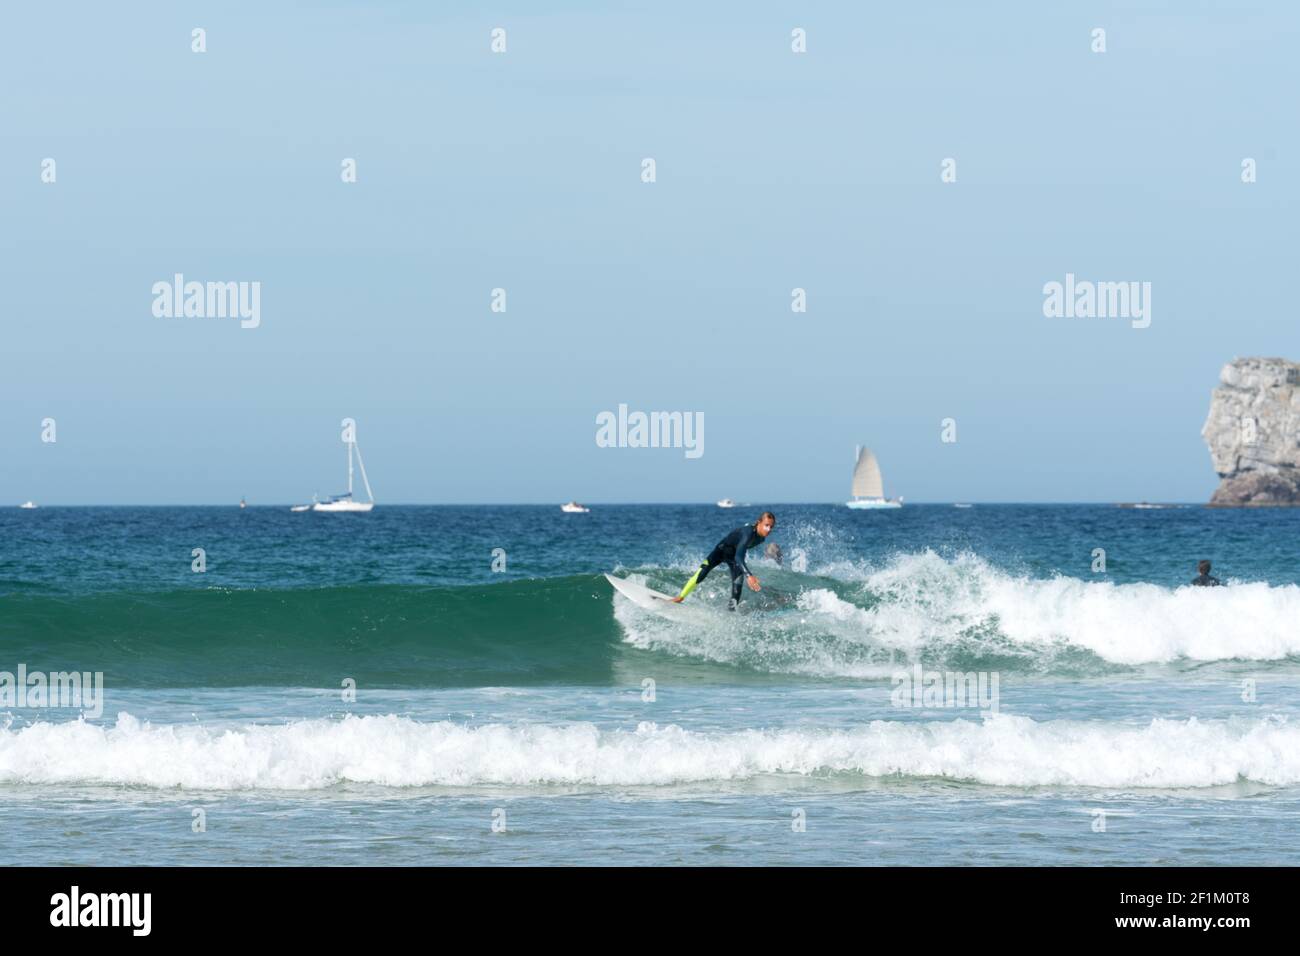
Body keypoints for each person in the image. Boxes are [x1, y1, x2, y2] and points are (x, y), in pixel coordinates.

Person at [671, 512, 776, 610]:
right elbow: (739, 557)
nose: (768, 529)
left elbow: (739, 552)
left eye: (771, 527)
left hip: (734, 558)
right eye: (766, 525)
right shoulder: (748, 533)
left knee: (737, 589)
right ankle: (680, 597)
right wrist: (749, 575)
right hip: (721, 551)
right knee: (702, 573)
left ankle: (731, 611)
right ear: (759, 522)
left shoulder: (761, 538)